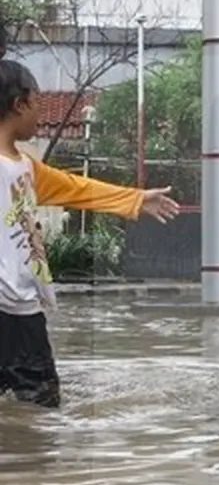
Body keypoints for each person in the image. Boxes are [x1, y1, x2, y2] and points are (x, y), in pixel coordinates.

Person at [0, 60, 180, 408]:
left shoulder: (25, 166)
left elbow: (76, 188)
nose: (40, 113)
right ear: (19, 104)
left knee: (28, 405)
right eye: (37, 103)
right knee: (40, 404)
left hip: (22, 303)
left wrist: (136, 199)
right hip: (13, 308)